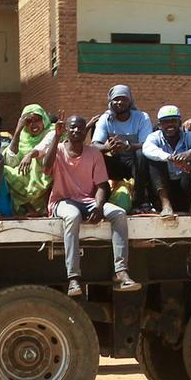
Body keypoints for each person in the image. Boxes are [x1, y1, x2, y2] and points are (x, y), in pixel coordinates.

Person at [28, 114, 140, 298]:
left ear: (85, 132)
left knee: (119, 213)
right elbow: (46, 168)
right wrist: (56, 137)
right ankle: (73, 278)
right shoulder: (58, 149)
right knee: (72, 217)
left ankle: (121, 272)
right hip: (62, 201)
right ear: (66, 130)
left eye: (80, 128)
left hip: (88, 201)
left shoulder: (94, 153)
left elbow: (101, 185)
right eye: (72, 127)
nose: (76, 131)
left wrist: (98, 205)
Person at [91, 85, 155, 213]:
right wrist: (106, 147)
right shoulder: (106, 118)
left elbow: (148, 144)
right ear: (110, 102)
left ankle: (140, 199)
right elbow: (94, 145)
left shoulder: (142, 117)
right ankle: (101, 198)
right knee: (96, 155)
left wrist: (127, 145)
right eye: (116, 99)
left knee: (141, 154)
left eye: (124, 99)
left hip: (136, 163)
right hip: (116, 161)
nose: (120, 102)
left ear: (130, 101)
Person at [141, 105, 191, 217]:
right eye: (166, 122)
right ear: (160, 125)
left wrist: (190, 153)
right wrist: (170, 158)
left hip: (185, 191)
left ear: (180, 123)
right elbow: (147, 149)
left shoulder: (189, 136)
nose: (170, 125)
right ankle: (166, 205)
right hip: (163, 191)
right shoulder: (154, 137)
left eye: (173, 121)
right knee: (155, 160)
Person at [4, 104, 56, 216]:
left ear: (44, 119)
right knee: (2, 171)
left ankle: (46, 207)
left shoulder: (53, 131)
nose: (33, 125)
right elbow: (11, 161)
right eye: (28, 122)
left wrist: (30, 155)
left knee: (41, 159)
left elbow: (45, 146)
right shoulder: (23, 138)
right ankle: (29, 207)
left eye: (37, 120)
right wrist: (17, 131)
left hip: (45, 175)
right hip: (25, 177)